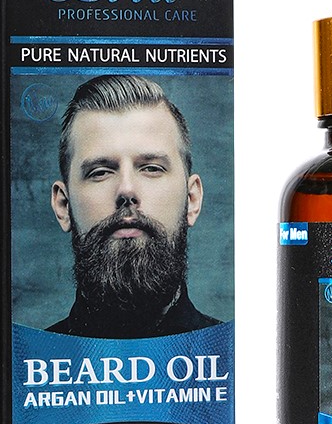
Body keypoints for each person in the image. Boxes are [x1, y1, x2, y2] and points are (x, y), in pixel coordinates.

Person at [46, 75, 220, 338]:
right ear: (63, 205)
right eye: (100, 172)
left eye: (151, 168)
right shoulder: (28, 357)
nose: (126, 190)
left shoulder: (235, 351)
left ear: (192, 200)